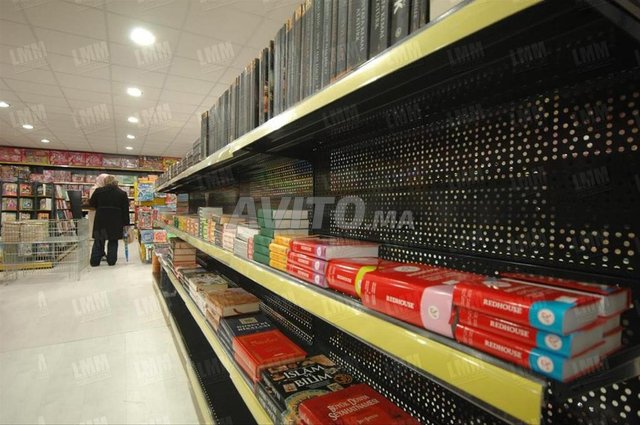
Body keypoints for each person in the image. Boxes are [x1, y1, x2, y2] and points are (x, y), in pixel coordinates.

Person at [89, 175, 130, 266]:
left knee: (99, 240)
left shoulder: (98, 191)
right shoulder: (122, 193)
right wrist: (126, 224)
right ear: (116, 182)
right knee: (113, 241)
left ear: (105, 182)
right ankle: (111, 261)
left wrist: (100, 207)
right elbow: (125, 210)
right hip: (115, 221)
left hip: (101, 220)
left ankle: (95, 261)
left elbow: (92, 204)